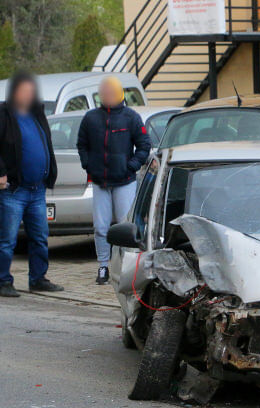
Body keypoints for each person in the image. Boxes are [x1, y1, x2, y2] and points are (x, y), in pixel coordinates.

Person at [77, 76, 151, 285]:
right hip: (100, 182)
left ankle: (128, 265)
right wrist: (88, 165)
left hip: (125, 181)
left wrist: (132, 165)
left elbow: (144, 145)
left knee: (126, 226)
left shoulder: (131, 118)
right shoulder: (91, 118)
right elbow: (81, 144)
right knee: (100, 227)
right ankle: (103, 266)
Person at [0, 71, 64, 297]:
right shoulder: (4, 114)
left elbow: (46, 144)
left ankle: (38, 279)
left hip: (37, 191)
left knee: (39, 237)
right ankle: (3, 281)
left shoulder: (37, 115)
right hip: (13, 191)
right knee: (7, 240)